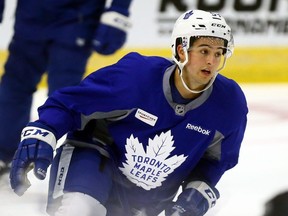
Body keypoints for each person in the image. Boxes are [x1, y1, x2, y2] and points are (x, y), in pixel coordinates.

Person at [10, 9, 248, 216]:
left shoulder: (229, 104)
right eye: (204, 51)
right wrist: (44, 131)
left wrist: (199, 188)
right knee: (81, 210)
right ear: (181, 50)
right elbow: (68, 103)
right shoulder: (135, 77)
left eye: (219, 53)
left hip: (147, 195)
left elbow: (216, 160)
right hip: (94, 157)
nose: (212, 61)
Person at [0, 0, 133, 176]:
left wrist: (119, 9)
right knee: (17, 85)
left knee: (66, 95)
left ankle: (77, 160)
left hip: (76, 20)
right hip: (33, 18)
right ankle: (4, 153)